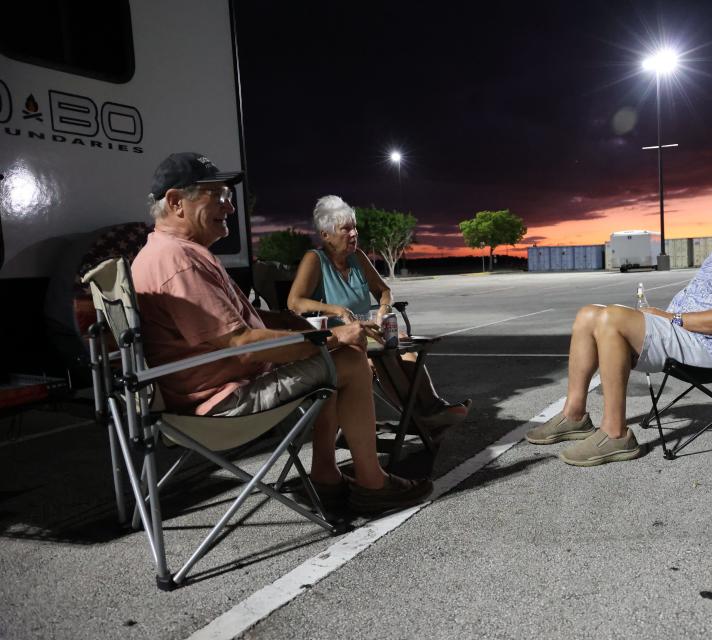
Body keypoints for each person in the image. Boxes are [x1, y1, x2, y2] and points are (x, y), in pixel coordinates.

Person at [131, 152, 432, 514]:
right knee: (350, 362)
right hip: (223, 401)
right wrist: (333, 338)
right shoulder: (178, 261)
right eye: (218, 195)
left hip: (216, 386)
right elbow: (241, 345)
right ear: (177, 202)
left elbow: (236, 320)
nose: (229, 208)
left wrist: (296, 325)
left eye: (229, 197)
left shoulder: (170, 252)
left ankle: (326, 475)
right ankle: (372, 483)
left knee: (332, 363)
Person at [526, 164, 712, 466]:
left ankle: (616, 435)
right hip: (683, 330)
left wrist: (673, 319)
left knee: (611, 319)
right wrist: (668, 317)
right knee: (588, 314)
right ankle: (574, 415)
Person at [287, 195, 470, 429]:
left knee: (400, 341)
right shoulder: (314, 260)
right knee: (384, 357)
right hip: (337, 343)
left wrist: (383, 309)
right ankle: (417, 417)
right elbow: (295, 302)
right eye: (346, 229)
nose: (354, 234)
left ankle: (433, 406)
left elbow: (384, 290)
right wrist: (337, 310)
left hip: (367, 333)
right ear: (326, 235)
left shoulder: (358, 257)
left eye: (354, 228)